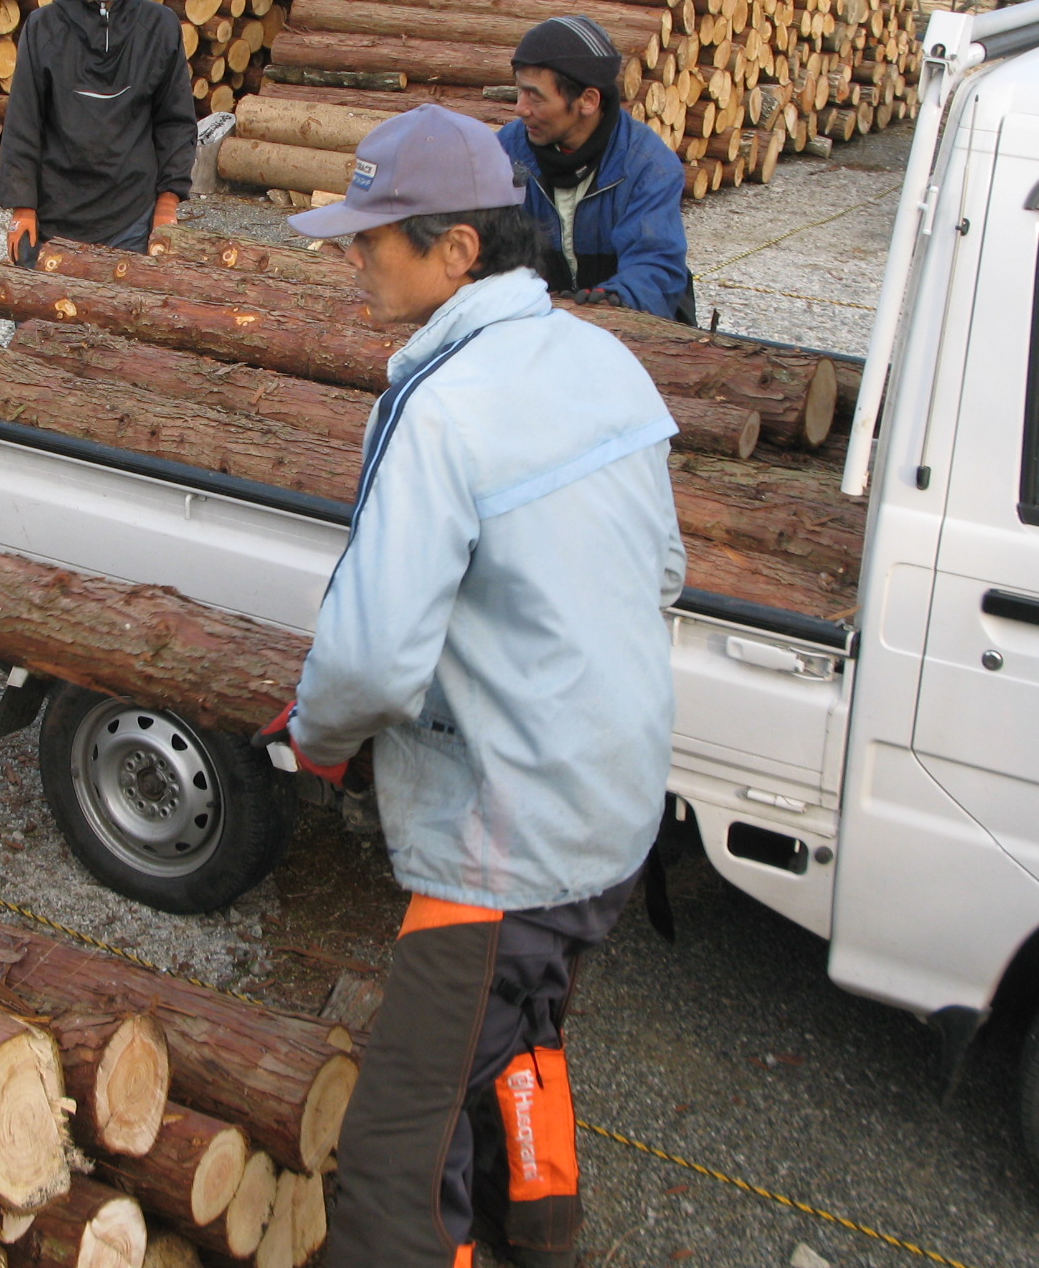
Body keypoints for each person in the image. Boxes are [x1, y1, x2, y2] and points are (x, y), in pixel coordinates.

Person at [256, 102, 685, 1268]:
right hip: (617, 801)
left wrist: (319, 737)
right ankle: (539, 1234)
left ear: (457, 250)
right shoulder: (601, 357)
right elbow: (664, 572)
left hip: (507, 839)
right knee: (524, 1023)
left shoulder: (441, 407)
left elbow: (368, 654)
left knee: (398, 1150)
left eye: (371, 236)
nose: (353, 257)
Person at [0, 0, 197, 259]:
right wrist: (23, 208)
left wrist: (167, 204)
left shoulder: (159, 28)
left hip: (132, 221)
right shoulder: (44, 28)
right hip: (56, 220)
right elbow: (24, 125)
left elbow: (175, 123)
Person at [497, 15, 695, 323]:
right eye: (520, 91)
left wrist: (615, 304)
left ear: (588, 100)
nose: (520, 108)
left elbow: (655, 268)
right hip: (534, 323)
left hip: (626, 329)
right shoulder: (506, 152)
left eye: (535, 96)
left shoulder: (648, 167)